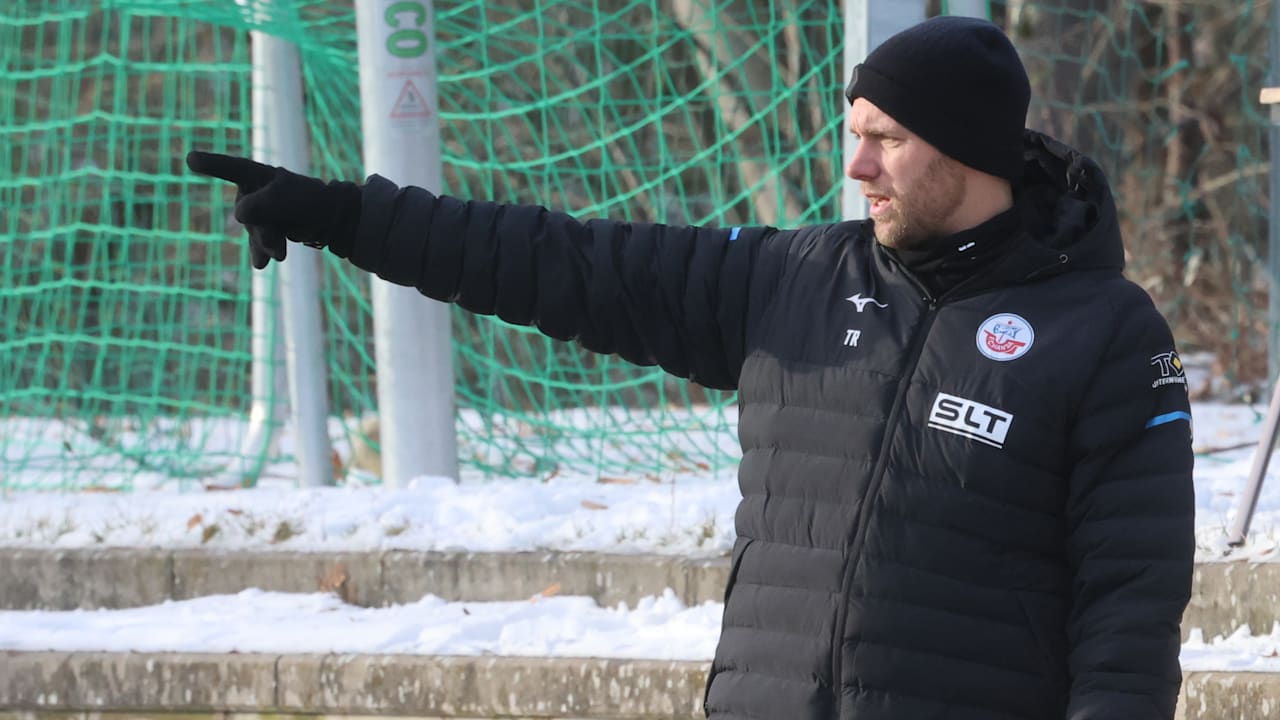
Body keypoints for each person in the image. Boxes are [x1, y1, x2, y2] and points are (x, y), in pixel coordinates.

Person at [188, 15, 1194, 720]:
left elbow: (1130, 596)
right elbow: (562, 264)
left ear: (970, 152)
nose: (857, 167)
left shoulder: (1100, 332)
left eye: (884, 140)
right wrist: (346, 218)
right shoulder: (790, 280)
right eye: (855, 137)